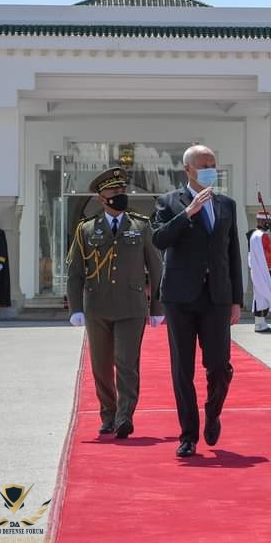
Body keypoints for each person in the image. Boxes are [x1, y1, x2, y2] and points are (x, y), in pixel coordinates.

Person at [151, 145, 244, 458]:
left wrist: (236, 300)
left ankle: (213, 412)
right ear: (187, 170)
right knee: (183, 369)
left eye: (213, 164)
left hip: (217, 296)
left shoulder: (226, 204)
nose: (209, 169)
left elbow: (233, 254)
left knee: (219, 365)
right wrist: (188, 213)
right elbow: (159, 239)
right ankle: (188, 434)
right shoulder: (168, 202)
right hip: (180, 297)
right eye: (203, 165)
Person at [67, 167, 163, 439]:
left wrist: (157, 307)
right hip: (97, 306)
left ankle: (124, 416)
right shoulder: (86, 229)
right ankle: (107, 414)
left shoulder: (140, 226)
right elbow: (75, 272)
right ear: (101, 197)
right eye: (114, 190)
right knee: (101, 365)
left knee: (126, 363)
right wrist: (75, 308)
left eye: (122, 189)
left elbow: (156, 268)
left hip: (131, 306)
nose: (120, 194)